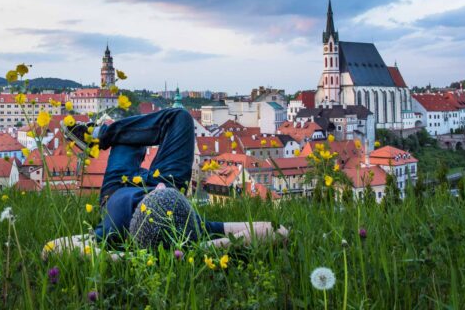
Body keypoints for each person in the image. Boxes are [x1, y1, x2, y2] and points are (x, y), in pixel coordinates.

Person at [43, 108, 288, 259]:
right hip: (169, 182)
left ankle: (100, 137)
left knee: (131, 140)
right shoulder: (188, 227)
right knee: (179, 117)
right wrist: (193, 250)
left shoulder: (112, 232)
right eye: (164, 194)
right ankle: (100, 136)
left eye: (151, 198)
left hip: (118, 186)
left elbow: (51, 249)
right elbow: (278, 230)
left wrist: (122, 258)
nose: (155, 188)